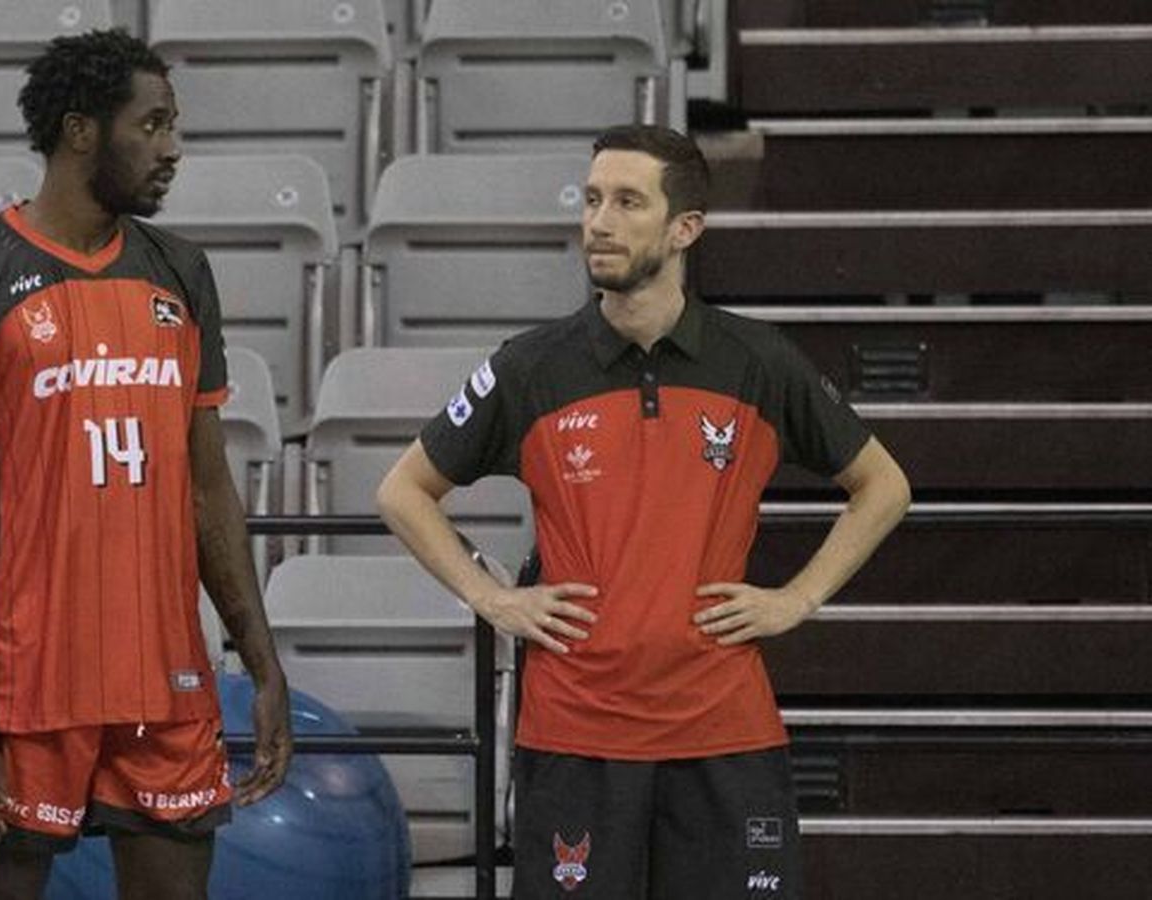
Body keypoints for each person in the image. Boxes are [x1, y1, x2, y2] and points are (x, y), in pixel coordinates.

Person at [376, 124, 911, 898]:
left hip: (724, 729)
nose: (599, 221)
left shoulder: (757, 361)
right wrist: (491, 597)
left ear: (685, 227)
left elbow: (883, 485)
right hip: (575, 733)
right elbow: (403, 491)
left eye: (628, 202)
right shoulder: (530, 366)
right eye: (592, 200)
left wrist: (800, 596)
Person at [0, 29, 291, 900]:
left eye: (173, 125)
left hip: (166, 683)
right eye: (151, 126)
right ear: (81, 132)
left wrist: (261, 661)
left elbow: (208, 487)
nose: (172, 148)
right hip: (19, 693)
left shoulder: (182, 273)